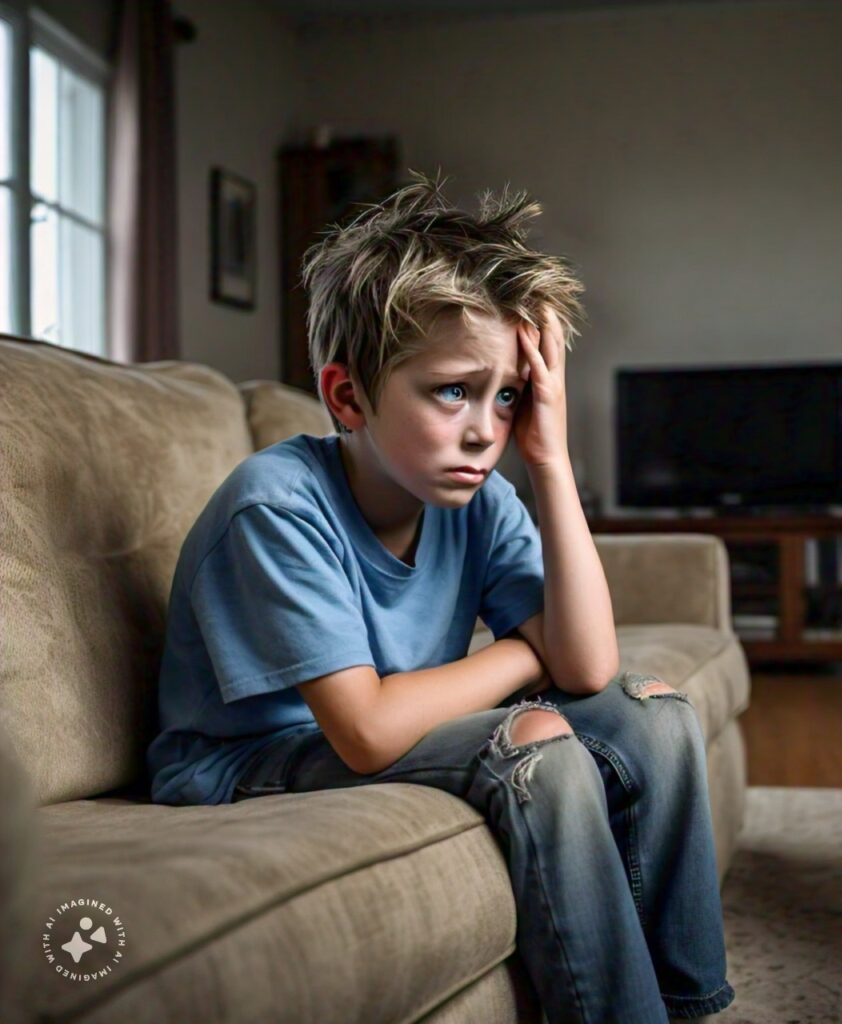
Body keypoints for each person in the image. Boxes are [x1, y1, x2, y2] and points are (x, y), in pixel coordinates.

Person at [146, 169, 735, 1024]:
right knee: (534, 742)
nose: (484, 430)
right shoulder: (274, 505)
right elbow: (366, 732)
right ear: (348, 395)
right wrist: (518, 653)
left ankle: (686, 1004)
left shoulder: (484, 496)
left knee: (656, 711)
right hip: (248, 760)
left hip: (372, 728)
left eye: (506, 397)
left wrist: (551, 461)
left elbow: (589, 663)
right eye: (452, 391)